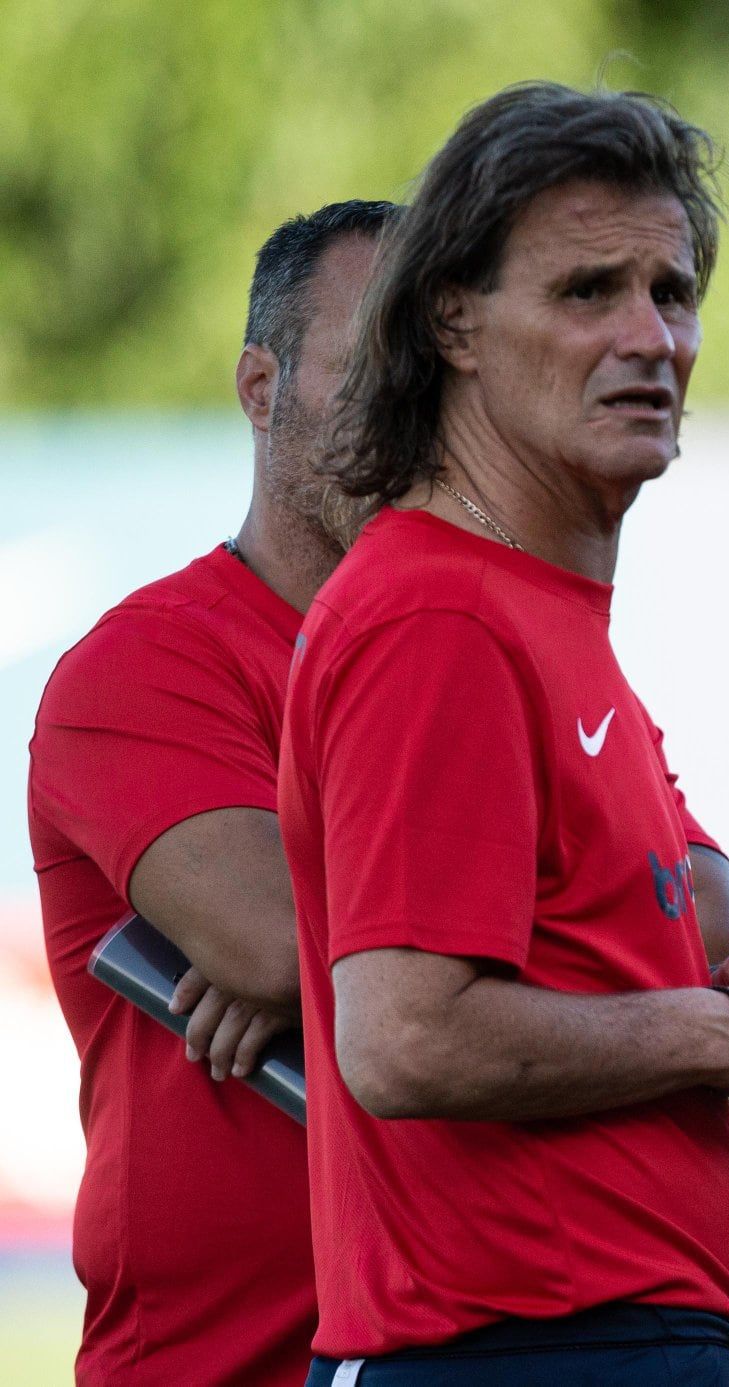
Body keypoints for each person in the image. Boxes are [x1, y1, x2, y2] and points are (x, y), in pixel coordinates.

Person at [277, 82, 729, 1386]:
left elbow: (668, 900)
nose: (651, 334)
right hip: (514, 1346)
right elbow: (408, 1035)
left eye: (674, 289)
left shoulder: (530, 606)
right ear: (456, 321)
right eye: (589, 290)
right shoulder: (440, 613)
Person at [27, 200, 394, 1384]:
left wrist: (331, 952)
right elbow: (273, 944)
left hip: (449, 1344)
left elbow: (691, 901)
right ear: (260, 385)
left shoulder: (489, 655)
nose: (405, 418)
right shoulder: (146, 661)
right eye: (367, 372)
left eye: (437, 380)